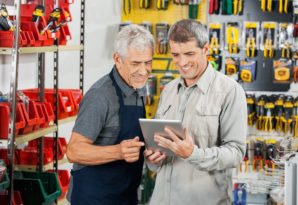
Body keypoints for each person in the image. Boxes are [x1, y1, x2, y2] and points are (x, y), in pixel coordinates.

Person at [144, 19, 247, 205]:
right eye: (175, 55)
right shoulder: (168, 90)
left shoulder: (229, 91)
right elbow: (158, 151)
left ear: (206, 49)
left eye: (189, 54)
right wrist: (152, 157)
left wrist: (192, 153)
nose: (182, 62)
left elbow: (236, 153)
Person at [66, 24, 154, 205]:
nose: (143, 71)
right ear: (117, 59)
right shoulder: (100, 96)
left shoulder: (137, 87)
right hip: (93, 198)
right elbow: (74, 151)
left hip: (124, 196)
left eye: (148, 62)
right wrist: (118, 151)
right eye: (136, 63)